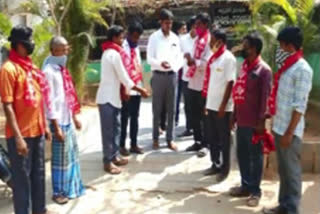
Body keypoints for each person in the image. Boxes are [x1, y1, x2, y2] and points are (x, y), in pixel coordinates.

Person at [0, 25, 55, 214]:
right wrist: (17, 138)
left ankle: (39, 210)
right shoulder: (9, 69)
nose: (31, 45)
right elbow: (7, 105)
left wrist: (45, 125)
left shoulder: (30, 67)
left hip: (37, 130)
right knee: (22, 181)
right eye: (27, 43)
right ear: (17, 45)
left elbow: (38, 99)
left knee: (38, 175)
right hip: (21, 135)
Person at [263, 27, 313, 214]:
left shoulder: (302, 69)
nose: (280, 49)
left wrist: (289, 133)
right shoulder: (288, 66)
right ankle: (284, 205)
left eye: (281, 45)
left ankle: (292, 209)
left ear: (289, 45)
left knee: (291, 173)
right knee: (283, 171)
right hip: (280, 126)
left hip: (289, 131)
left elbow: (299, 105)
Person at [96, 25, 149, 175]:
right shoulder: (113, 54)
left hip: (114, 98)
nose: (122, 40)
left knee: (115, 130)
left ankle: (114, 156)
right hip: (107, 98)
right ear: (113, 38)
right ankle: (108, 161)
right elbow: (124, 77)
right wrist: (140, 89)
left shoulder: (110, 52)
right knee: (109, 132)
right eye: (120, 37)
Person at [230, 32, 272, 207]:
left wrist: (261, 122)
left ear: (254, 49)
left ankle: (255, 191)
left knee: (255, 157)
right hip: (242, 120)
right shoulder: (244, 68)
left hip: (256, 123)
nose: (242, 48)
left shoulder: (264, 70)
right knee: (243, 155)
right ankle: (245, 185)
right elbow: (237, 92)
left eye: (245, 46)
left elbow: (266, 98)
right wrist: (233, 115)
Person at [42, 36, 85, 205]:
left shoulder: (62, 70)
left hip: (67, 119)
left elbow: (67, 96)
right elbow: (49, 101)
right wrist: (56, 127)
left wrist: (74, 117)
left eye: (67, 48)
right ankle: (58, 192)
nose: (67, 52)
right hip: (57, 122)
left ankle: (71, 187)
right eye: (64, 49)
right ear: (54, 51)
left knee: (71, 156)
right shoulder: (48, 72)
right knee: (60, 161)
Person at [202, 29, 237, 183]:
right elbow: (210, 83)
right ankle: (215, 163)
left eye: (212, 41)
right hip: (211, 105)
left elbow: (230, 82)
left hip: (223, 108)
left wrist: (223, 105)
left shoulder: (228, 59)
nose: (210, 44)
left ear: (220, 42)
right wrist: (207, 104)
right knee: (212, 137)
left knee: (224, 139)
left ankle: (225, 168)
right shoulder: (213, 59)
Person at [147, 9, 183, 151]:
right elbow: (149, 58)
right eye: (166, 23)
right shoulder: (154, 38)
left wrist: (174, 66)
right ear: (161, 22)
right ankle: (155, 138)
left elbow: (179, 57)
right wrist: (159, 64)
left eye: (170, 23)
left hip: (172, 76)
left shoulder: (175, 38)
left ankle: (170, 139)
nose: (169, 25)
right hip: (158, 76)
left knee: (172, 109)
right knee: (157, 109)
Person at [185, 13, 211, 157]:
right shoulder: (197, 40)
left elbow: (207, 62)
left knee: (204, 115)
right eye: (195, 24)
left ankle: (206, 144)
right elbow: (195, 58)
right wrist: (190, 59)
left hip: (204, 83)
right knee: (193, 113)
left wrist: (194, 61)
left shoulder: (209, 41)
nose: (196, 27)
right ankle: (197, 140)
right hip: (193, 81)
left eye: (199, 24)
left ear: (206, 25)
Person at [119, 22, 145, 156]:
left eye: (138, 37)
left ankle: (134, 144)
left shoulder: (136, 47)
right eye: (134, 36)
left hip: (137, 86)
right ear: (128, 34)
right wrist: (125, 89)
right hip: (127, 88)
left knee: (135, 117)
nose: (135, 39)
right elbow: (122, 70)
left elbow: (138, 65)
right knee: (124, 118)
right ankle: (122, 145)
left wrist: (142, 84)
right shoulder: (122, 47)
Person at [178, 16, 197, 137]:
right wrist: (185, 57)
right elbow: (178, 55)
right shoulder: (183, 39)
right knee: (188, 105)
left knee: (198, 105)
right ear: (191, 27)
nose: (198, 29)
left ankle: (198, 130)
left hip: (199, 78)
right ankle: (189, 127)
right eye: (196, 26)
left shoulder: (202, 40)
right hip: (186, 76)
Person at [174, 20, 187, 127]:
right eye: (183, 29)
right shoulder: (176, 41)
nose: (185, 31)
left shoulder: (187, 40)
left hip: (186, 73)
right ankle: (175, 118)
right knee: (176, 97)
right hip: (177, 72)